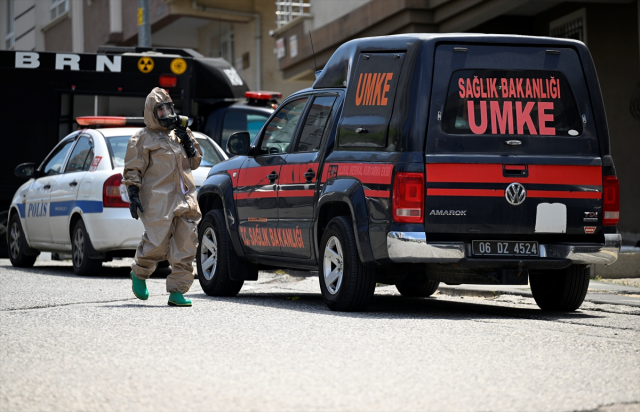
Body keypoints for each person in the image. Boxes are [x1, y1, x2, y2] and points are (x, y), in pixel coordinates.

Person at [123, 87, 202, 307]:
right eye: (161, 109)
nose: (166, 113)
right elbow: (133, 169)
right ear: (151, 112)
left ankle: (177, 291)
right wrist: (133, 194)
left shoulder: (179, 133)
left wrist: (187, 138)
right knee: (156, 243)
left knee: (186, 245)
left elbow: (195, 161)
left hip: (186, 198)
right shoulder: (141, 138)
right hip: (158, 200)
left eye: (169, 108)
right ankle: (139, 273)